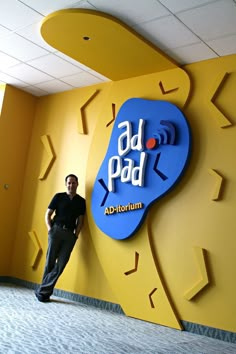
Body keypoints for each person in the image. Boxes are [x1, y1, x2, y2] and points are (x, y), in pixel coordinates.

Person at [35, 174, 86, 302]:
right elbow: (48, 214)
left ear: (77, 184)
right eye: (69, 183)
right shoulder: (59, 197)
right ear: (66, 184)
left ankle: (41, 290)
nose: (71, 185)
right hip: (56, 230)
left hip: (70, 235)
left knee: (61, 264)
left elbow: (81, 221)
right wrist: (50, 230)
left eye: (73, 183)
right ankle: (44, 294)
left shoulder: (81, 201)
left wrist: (76, 235)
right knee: (50, 262)